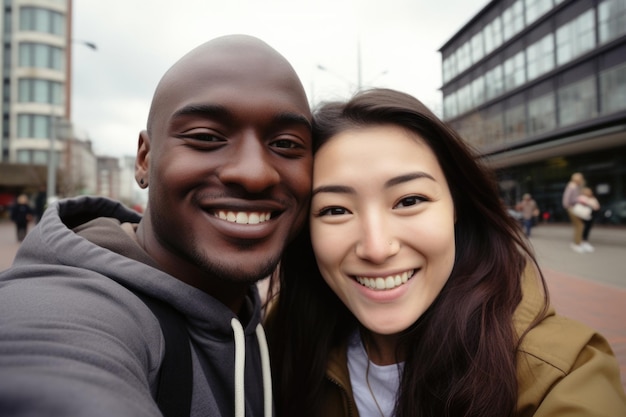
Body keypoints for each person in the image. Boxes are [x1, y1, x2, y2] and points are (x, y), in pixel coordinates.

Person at [0, 34, 313, 417]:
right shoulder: (63, 306)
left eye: (285, 144)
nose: (253, 173)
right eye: (206, 137)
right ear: (144, 159)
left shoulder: (281, 326)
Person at [266, 89, 626, 417]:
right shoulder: (276, 346)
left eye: (409, 201)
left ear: (456, 207)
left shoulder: (561, 373)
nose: (376, 248)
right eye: (335, 210)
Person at [562, 172, 586, 253]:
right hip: (572, 208)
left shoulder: (575, 186)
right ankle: (576, 243)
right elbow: (567, 198)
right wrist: (569, 206)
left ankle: (578, 242)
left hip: (573, 207)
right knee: (579, 225)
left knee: (579, 225)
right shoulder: (572, 186)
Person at [577, 187, 601, 252]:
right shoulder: (582, 198)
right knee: (584, 228)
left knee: (588, 228)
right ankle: (581, 241)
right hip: (584, 215)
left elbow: (597, 206)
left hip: (591, 215)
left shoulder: (593, 198)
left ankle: (585, 241)